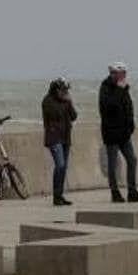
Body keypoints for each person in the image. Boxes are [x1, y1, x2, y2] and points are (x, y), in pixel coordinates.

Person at [98, 62, 138, 203]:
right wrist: (120, 90)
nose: (124, 76)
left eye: (125, 74)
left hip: (124, 133)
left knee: (132, 160)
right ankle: (115, 192)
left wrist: (131, 125)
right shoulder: (105, 88)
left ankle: (132, 191)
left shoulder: (124, 88)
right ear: (114, 74)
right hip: (111, 133)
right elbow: (109, 107)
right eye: (122, 74)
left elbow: (128, 106)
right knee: (113, 165)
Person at [42, 77, 77, 206]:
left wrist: (70, 102)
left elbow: (74, 116)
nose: (65, 92)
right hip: (54, 138)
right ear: (56, 89)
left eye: (66, 90)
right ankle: (56, 196)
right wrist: (64, 101)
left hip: (66, 138)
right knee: (60, 165)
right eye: (63, 90)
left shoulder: (66, 101)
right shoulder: (48, 101)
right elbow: (53, 114)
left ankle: (60, 195)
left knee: (64, 168)